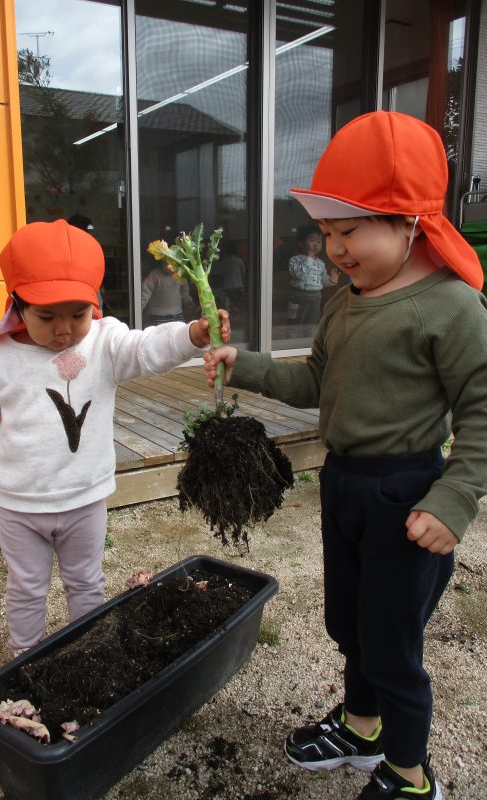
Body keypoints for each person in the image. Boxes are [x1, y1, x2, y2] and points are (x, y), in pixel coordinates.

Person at [203, 111, 487, 800]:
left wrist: (454, 499)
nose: (335, 248)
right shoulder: (344, 303)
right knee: (350, 622)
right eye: (326, 233)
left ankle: (410, 776)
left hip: (409, 495)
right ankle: (362, 732)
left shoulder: (453, 307)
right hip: (347, 485)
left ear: (409, 221)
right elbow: (313, 383)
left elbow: (482, 407)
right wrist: (247, 366)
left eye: (349, 230)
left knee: (392, 645)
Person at [0, 219, 229, 657]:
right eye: (47, 317)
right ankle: (25, 656)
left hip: (85, 499)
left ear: (94, 305)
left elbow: (144, 348)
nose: (64, 330)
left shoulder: (103, 342)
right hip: (22, 505)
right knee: (26, 588)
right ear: (17, 306)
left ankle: (90, 650)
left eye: (78, 314)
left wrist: (190, 335)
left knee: (86, 580)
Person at [288, 223, 338, 323]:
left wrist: (332, 280)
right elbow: (299, 275)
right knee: (294, 318)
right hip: (298, 294)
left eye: (319, 242)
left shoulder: (320, 264)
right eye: (312, 241)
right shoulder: (295, 260)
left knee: (312, 319)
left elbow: (323, 281)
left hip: (316, 296)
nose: (316, 244)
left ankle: (309, 335)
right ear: (301, 243)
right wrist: (309, 259)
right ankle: (291, 336)